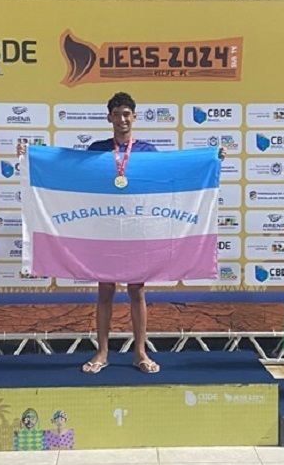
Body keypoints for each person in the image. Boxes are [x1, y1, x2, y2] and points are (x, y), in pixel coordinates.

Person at [19, 91, 223, 375]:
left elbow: (171, 177)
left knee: (137, 290)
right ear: (109, 118)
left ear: (134, 117)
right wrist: (30, 156)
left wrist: (212, 159)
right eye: (116, 114)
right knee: (105, 289)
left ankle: (140, 352)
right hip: (105, 231)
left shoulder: (148, 152)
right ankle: (102, 352)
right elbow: (66, 168)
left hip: (138, 231)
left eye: (126, 114)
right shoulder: (97, 150)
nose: (122, 119)